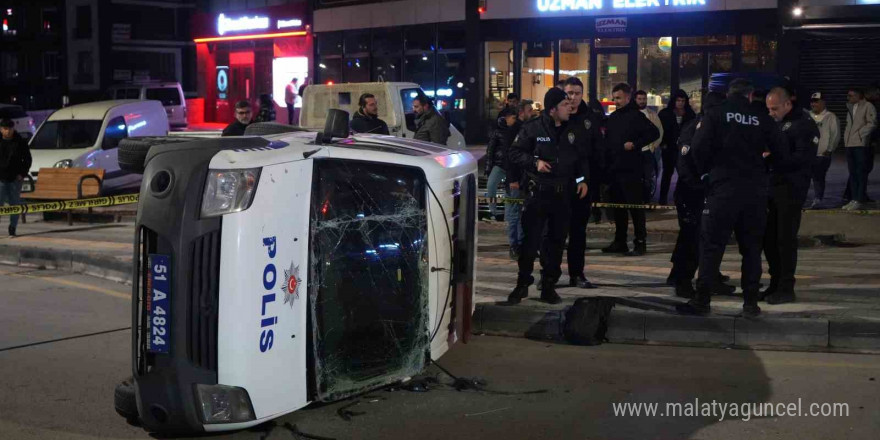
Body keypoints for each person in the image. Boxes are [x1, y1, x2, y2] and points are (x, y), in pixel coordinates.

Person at [676, 78, 787, 318]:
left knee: (711, 247)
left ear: (729, 94)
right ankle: (750, 303)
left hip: (722, 190)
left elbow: (698, 147)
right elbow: (781, 151)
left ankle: (702, 301)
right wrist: (764, 169)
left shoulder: (716, 115)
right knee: (752, 250)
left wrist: (707, 175)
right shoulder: (761, 118)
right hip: (754, 192)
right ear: (750, 96)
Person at [507, 88, 590, 305]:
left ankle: (549, 285)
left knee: (556, 242)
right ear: (552, 109)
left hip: (562, 195)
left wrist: (582, 181)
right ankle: (522, 284)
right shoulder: (533, 128)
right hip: (538, 194)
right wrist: (535, 163)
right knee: (530, 242)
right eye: (564, 104)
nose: (569, 107)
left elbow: (580, 158)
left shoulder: (573, 129)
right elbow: (514, 152)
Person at [667, 91, 732, 298]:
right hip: (692, 192)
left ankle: (705, 276)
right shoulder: (696, 127)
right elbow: (685, 163)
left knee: (703, 237)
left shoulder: (711, 127)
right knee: (692, 237)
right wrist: (700, 183)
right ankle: (682, 280)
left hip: (704, 190)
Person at [760, 87, 820, 305]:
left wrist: (772, 158)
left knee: (785, 239)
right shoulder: (776, 123)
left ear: (788, 104)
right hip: (772, 187)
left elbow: (803, 159)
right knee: (769, 239)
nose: (771, 112)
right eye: (768, 108)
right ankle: (775, 283)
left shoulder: (804, 124)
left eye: (774, 108)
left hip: (791, 189)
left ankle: (786, 287)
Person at [601, 83, 660, 257]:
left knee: (635, 208)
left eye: (618, 98)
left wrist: (635, 144)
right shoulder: (613, 118)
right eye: (614, 98)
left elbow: (654, 133)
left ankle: (640, 242)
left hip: (632, 170)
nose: (615, 101)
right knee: (618, 208)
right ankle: (620, 241)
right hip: (615, 170)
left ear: (628, 98)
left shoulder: (636, 116)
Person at [562, 76, 603, 289]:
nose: (573, 97)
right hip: (558, 184)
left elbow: (596, 153)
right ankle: (548, 275)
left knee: (578, 233)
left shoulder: (590, 118)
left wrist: (593, 181)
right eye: (569, 93)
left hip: (582, 184)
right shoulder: (556, 117)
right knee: (553, 233)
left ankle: (577, 274)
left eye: (577, 93)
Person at [504, 100, 535, 260]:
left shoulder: (527, 129)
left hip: (525, 179)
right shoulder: (514, 131)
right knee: (514, 214)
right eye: (529, 110)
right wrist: (512, 179)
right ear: (521, 113)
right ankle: (514, 245)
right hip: (515, 180)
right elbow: (509, 158)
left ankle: (522, 244)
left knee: (524, 214)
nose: (532, 113)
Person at [658, 89, 697, 205]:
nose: (680, 103)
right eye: (678, 100)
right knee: (667, 173)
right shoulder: (665, 114)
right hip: (669, 148)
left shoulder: (690, 114)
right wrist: (663, 144)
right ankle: (663, 198)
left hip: (684, 149)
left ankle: (680, 197)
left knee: (683, 174)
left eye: (683, 100)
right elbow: (659, 130)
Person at [842, 87, 877, 210]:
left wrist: (859, 135)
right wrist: (847, 138)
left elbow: (872, 123)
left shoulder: (868, 106)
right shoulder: (850, 107)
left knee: (860, 173)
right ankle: (853, 199)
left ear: (858, 96)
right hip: (849, 144)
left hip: (860, 145)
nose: (848, 98)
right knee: (852, 173)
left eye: (851, 96)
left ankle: (859, 199)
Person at [808, 92, 841, 209]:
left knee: (818, 177)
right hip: (807, 154)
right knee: (804, 177)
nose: (813, 104)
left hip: (822, 154)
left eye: (816, 101)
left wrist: (830, 149)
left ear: (823, 102)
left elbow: (835, 135)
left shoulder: (831, 116)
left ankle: (818, 199)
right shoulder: (807, 116)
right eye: (812, 101)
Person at [0, 118, 32, 236]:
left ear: (14, 129)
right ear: (1, 129)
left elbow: (27, 159)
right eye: (5, 129)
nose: (8, 131)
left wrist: (22, 174)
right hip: (1, 179)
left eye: (10, 129)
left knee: (14, 204)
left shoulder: (20, 142)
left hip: (15, 179)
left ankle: (13, 227)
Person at [485, 107, 516, 224]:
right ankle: (492, 211)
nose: (514, 120)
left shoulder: (515, 130)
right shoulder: (497, 132)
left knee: (509, 191)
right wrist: (488, 167)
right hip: (499, 164)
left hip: (511, 165)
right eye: (512, 118)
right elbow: (490, 150)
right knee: (491, 185)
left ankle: (508, 215)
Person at [634, 90, 664, 203]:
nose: (642, 101)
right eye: (639, 99)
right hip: (634, 152)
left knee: (648, 178)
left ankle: (646, 201)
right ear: (635, 99)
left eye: (644, 99)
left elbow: (660, 132)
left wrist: (653, 146)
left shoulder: (652, 114)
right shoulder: (631, 114)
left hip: (648, 151)